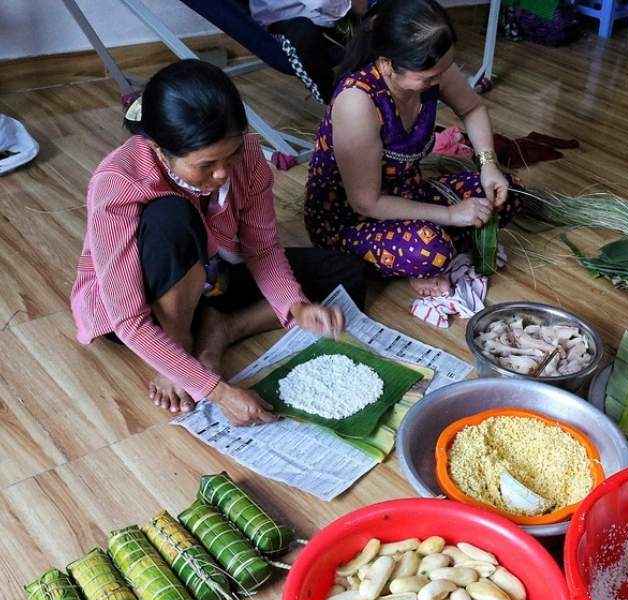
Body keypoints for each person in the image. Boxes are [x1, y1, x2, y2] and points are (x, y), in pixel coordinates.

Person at [71, 59, 365, 426]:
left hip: (211, 277)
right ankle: (179, 350)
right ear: (162, 151)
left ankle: (223, 328)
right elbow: (128, 319)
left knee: (347, 274)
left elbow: (261, 248)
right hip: (143, 308)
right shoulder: (119, 181)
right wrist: (216, 390)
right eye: (206, 164)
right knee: (171, 218)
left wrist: (295, 306)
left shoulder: (250, 155)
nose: (223, 172)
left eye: (233, 154)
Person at [304, 0, 520, 298]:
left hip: (408, 194)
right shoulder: (358, 102)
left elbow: (472, 108)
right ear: (386, 64)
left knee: (506, 192)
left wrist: (488, 165)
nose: (439, 80)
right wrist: (451, 214)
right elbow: (366, 203)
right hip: (351, 221)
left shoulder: (434, 67)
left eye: (442, 71)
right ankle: (419, 256)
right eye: (429, 77)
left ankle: (417, 256)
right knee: (432, 248)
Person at [250, 0, 368, 102]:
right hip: (282, 22)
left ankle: (366, 77)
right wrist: (352, 4)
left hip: (322, 16)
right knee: (303, 32)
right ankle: (330, 96)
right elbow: (323, 3)